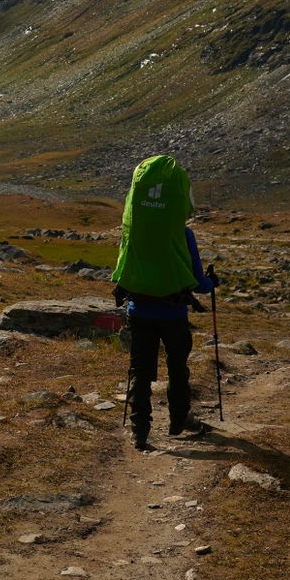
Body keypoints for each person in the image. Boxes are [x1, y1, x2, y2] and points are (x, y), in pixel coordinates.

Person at [110, 154, 217, 451]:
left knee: (140, 372)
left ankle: (139, 432)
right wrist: (213, 283)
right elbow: (199, 282)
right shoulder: (183, 235)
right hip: (173, 314)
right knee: (177, 368)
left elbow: (124, 267)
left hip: (139, 311)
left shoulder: (134, 232)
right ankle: (178, 420)